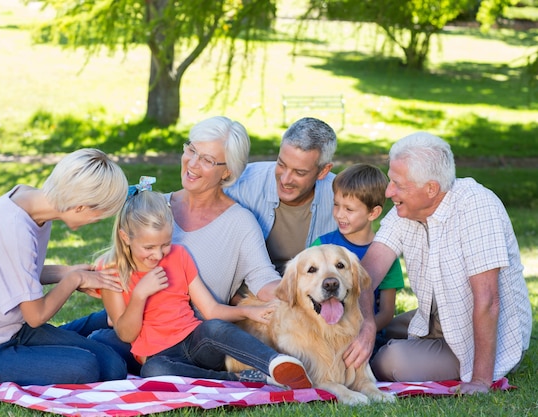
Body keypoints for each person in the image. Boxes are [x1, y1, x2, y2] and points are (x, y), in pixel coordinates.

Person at [0, 148, 130, 388]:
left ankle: (78, 337)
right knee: (86, 367)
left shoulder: (32, 205)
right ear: (80, 207)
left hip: (10, 331)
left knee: (113, 366)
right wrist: (72, 280)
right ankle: (80, 336)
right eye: (99, 214)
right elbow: (35, 316)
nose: (97, 221)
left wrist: (66, 271)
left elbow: (19, 273)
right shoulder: (12, 229)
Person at [352, 132, 532, 395]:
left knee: (388, 361)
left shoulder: (476, 206)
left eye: (398, 184)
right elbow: (366, 273)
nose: (389, 192)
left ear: (431, 189)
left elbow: (488, 300)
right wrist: (367, 323)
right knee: (380, 327)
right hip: (434, 319)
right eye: (391, 180)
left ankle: (459, 365)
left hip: (474, 335)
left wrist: (480, 381)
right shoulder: (407, 209)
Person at [97, 190, 313, 389]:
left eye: (165, 244)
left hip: (195, 341)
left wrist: (247, 312)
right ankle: (241, 379)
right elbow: (126, 334)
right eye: (149, 247)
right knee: (153, 372)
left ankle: (276, 364)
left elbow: (210, 309)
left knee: (214, 327)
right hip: (159, 357)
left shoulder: (179, 255)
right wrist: (140, 294)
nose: (160, 254)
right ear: (126, 237)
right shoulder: (112, 271)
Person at [166, 116, 282, 304]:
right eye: (191, 150)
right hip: (141, 328)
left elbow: (263, 278)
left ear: (228, 171)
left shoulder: (240, 222)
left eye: (207, 160)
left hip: (202, 331)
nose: (193, 163)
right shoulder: (154, 206)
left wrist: (303, 291)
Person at [310, 163, 404, 354]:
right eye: (336, 205)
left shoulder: (387, 254)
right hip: (322, 333)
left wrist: (360, 333)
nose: (339, 214)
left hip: (366, 339)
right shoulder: (322, 244)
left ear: (373, 213)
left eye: (349, 209)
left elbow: (387, 312)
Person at [225, 117, 338, 275]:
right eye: (281, 164)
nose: (285, 179)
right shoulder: (240, 185)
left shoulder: (341, 197)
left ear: (323, 171)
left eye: (299, 172)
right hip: (247, 293)